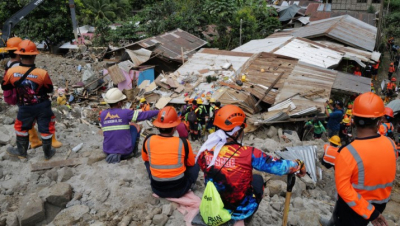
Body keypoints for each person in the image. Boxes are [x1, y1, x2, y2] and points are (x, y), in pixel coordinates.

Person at [196, 105, 306, 223]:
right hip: (241, 211)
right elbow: (278, 167)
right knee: (257, 179)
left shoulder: (205, 151)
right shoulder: (249, 153)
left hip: (213, 205)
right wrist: (298, 164)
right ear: (236, 132)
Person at [330, 92, 397, 226]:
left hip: (354, 209)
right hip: (380, 206)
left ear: (353, 120)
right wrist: (373, 212)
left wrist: (370, 212)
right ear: (379, 120)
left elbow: (344, 190)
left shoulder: (347, 152)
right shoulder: (391, 144)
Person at [3, 37, 62, 149]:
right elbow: (48, 88)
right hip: (32, 99)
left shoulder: (10, 65)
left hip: (20, 99)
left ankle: (32, 142)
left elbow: (5, 85)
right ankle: (49, 145)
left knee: (24, 120)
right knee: (46, 119)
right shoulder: (22, 68)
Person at [142, 106, 199, 198]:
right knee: (196, 162)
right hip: (180, 189)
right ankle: (190, 185)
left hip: (157, 189)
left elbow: (145, 159)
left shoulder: (148, 140)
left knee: (147, 162)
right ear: (174, 128)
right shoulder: (183, 142)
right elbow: (191, 163)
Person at [100, 88, 158, 163]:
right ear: (119, 103)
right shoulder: (125, 113)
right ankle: (134, 153)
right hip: (125, 152)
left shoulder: (103, 114)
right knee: (134, 127)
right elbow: (144, 115)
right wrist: (158, 112)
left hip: (108, 151)